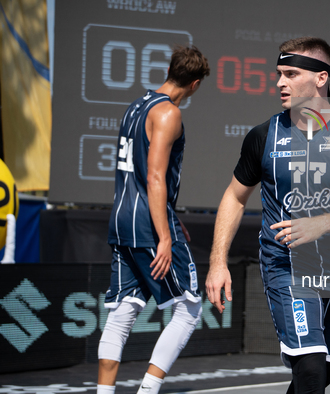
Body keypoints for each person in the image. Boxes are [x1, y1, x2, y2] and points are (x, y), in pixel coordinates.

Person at [206, 37, 330, 394]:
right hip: (285, 266)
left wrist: (326, 223)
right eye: (279, 74)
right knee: (311, 368)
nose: (279, 83)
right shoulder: (263, 136)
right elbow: (235, 197)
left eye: (290, 74)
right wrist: (217, 261)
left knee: (323, 371)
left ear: (321, 78)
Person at [97, 45, 210, 394]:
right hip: (148, 224)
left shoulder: (136, 105)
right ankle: (148, 391)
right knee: (189, 307)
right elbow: (155, 177)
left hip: (122, 220)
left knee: (122, 312)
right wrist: (164, 235)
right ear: (194, 83)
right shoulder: (168, 113)